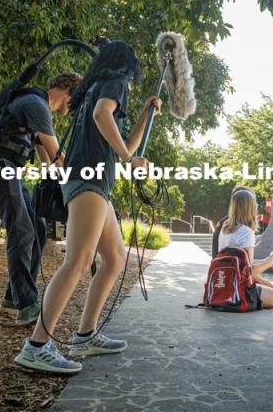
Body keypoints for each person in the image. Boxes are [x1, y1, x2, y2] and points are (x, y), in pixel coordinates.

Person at [14, 40, 162, 374]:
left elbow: (123, 141)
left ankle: (85, 335)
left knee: (114, 258)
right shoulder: (114, 82)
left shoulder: (94, 88)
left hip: (92, 181)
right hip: (89, 180)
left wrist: (144, 114)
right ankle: (36, 346)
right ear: (125, 64)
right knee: (78, 262)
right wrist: (128, 159)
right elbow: (103, 118)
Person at [0, 71, 81, 326]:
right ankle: (26, 304)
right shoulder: (37, 105)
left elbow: (48, 161)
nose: (76, 105)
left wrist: (58, 181)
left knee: (37, 227)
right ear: (67, 89)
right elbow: (57, 154)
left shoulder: (36, 108)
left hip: (7, 168)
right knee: (21, 229)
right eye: (76, 98)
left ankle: (14, 297)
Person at [219, 189, 273, 324]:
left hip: (224, 286)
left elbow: (238, 262)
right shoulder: (246, 232)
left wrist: (265, 263)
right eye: (255, 206)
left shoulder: (225, 229)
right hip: (240, 293)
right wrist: (270, 262)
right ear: (250, 208)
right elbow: (248, 271)